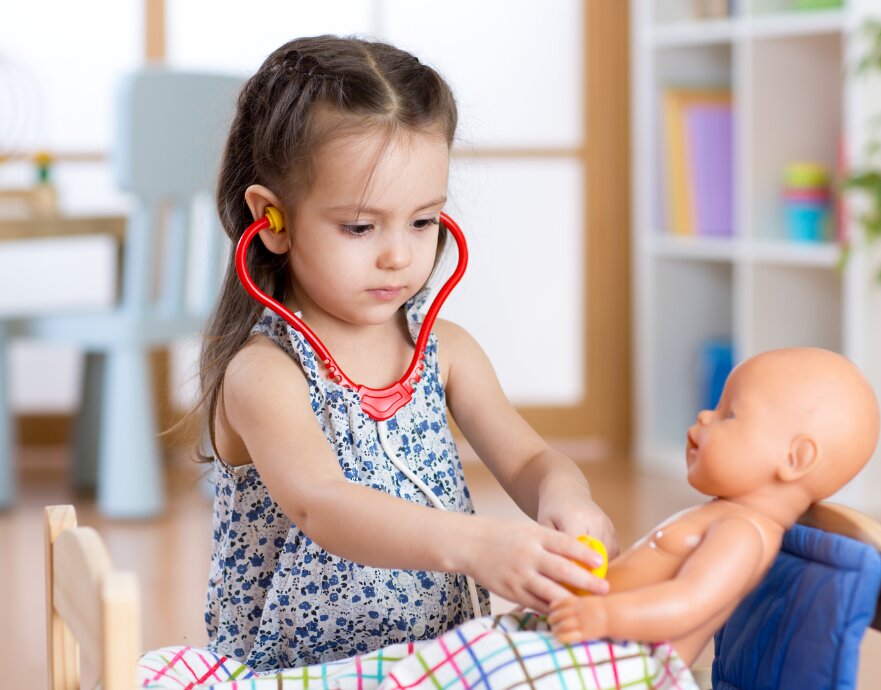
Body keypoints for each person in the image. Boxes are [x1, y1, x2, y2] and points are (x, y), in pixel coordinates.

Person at [196, 35, 617, 671]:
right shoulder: (264, 372)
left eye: (422, 221)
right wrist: (477, 545)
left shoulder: (445, 351)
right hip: (300, 673)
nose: (399, 255)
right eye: (360, 227)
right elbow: (322, 503)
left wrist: (566, 496)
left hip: (434, 662)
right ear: (273, 219)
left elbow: (529, 456)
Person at [548, 346, 880, 668]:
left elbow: (689, 602)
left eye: (729, 413)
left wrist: (605, 615)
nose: (705, 415)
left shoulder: (742, 533)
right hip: (593, 636)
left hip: (625, 664)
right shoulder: (725, 515)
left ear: (795, 459)